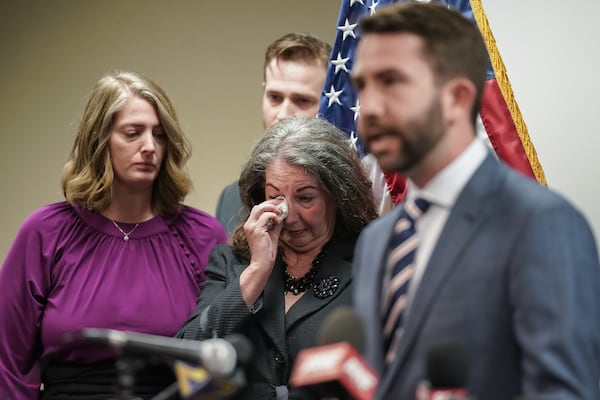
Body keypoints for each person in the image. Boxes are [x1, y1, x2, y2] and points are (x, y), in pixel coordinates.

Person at [350, 3, 600, 400]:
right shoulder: (375, 241)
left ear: (457, 97)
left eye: (391, 82)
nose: (370, 108)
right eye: (362, 86)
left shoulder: (541, 224)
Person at [0, 71, 227, 399]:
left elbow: (222, 362)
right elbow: (9, 362)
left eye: (159, 135)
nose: (149, 147)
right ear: (99, 140)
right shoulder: (45, 233)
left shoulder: (203, 235)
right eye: (133, 133)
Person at [177, 115, 378, 399]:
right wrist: (255, 272)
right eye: (275, 197)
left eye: (305, 198)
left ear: (337, 194)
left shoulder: (370, 261)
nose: (289, 215)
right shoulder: (231, 262)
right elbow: (186, 355)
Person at [215, 32, 331, 235]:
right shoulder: (232, 199)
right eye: (275, 97)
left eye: (302, 101)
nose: (283, 114)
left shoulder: (350, 200)